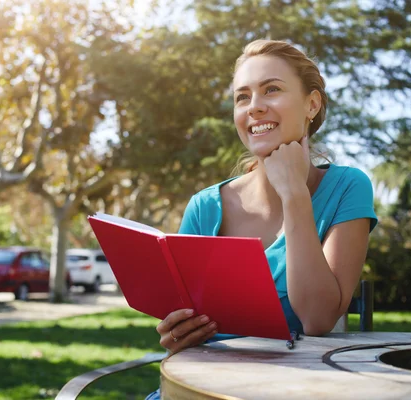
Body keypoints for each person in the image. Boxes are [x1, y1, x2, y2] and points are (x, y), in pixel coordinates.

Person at [145, 39, 377, 399]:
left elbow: (318, 319)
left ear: (311, 104)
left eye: (271, 90)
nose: (254, 107)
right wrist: (177, 336)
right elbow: (181, 343)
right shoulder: (205, 206)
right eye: (242, 97)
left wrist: (295, 196)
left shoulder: (348, 187)